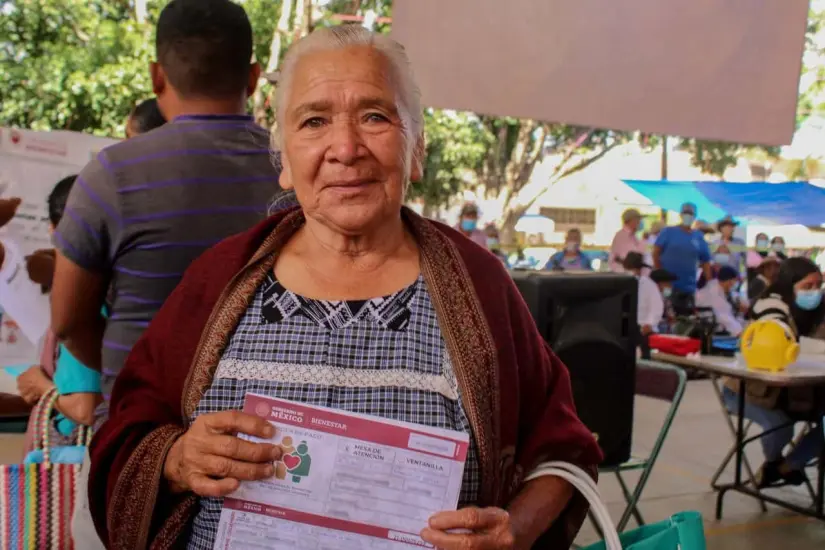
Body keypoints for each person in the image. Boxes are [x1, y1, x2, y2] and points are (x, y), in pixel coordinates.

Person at [88, 26, 602, 550]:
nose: (346, 148)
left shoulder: (479, 286)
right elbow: (128, 427)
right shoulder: (218, 279)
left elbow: (562, 448)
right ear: (285, 160)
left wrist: (516, 529)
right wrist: (175, 460)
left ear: (416, 149)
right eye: (314, 121)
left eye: (375, 116)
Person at [51, 0, 283, 395]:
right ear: (254, 78)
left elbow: (69, 323)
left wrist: (130, 373)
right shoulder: (295, 172)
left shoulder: (111, 175)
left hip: (136, 431)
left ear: (157, 76)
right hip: (257, 430)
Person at [15, 176, 103, 452]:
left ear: (55, 231)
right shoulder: (118, 290)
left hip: (74, 454)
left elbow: (85, 407)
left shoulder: (86, 300)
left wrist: (40, 386)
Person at [724, 257, 825, 487]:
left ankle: (785, 466)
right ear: (790, 283)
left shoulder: (819, 310)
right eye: (807, 286)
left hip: (796, 393)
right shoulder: (771, 305)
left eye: (818, 285)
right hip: (749, 390)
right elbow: (779, 342)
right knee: (780, 427)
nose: (814, 292)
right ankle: (774, 463)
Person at [653, 202, 712, 313]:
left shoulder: (698, 236)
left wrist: (710, 284)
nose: (688, 216)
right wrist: (659, 275)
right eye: (685, 213)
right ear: (680, 215)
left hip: (689, 287)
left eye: (690, 214)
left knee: (686, 316)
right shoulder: (668, 232)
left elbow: (706, 261)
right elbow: (656, 252)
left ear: (694, 217)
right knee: (665, 313)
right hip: (667, 286)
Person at [695, 266, 744, 336]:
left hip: (710, 319)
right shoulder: (714, 292)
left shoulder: (716, 286)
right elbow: (724, 315)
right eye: (734, 281)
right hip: (712, 321)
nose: (733, 284)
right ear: (729, 281)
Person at [624, 252, 663, 336]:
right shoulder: (619, 284)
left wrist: (649, 324)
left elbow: (656, 307)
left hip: (643, 329)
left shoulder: (648, 284)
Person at [609, 208, 645, 272]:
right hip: (623, 273)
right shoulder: (622, 235)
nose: (639, 222)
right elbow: (628, 257)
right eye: (638, 220)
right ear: (631, 221)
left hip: (629, 272)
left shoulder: (633, 236)